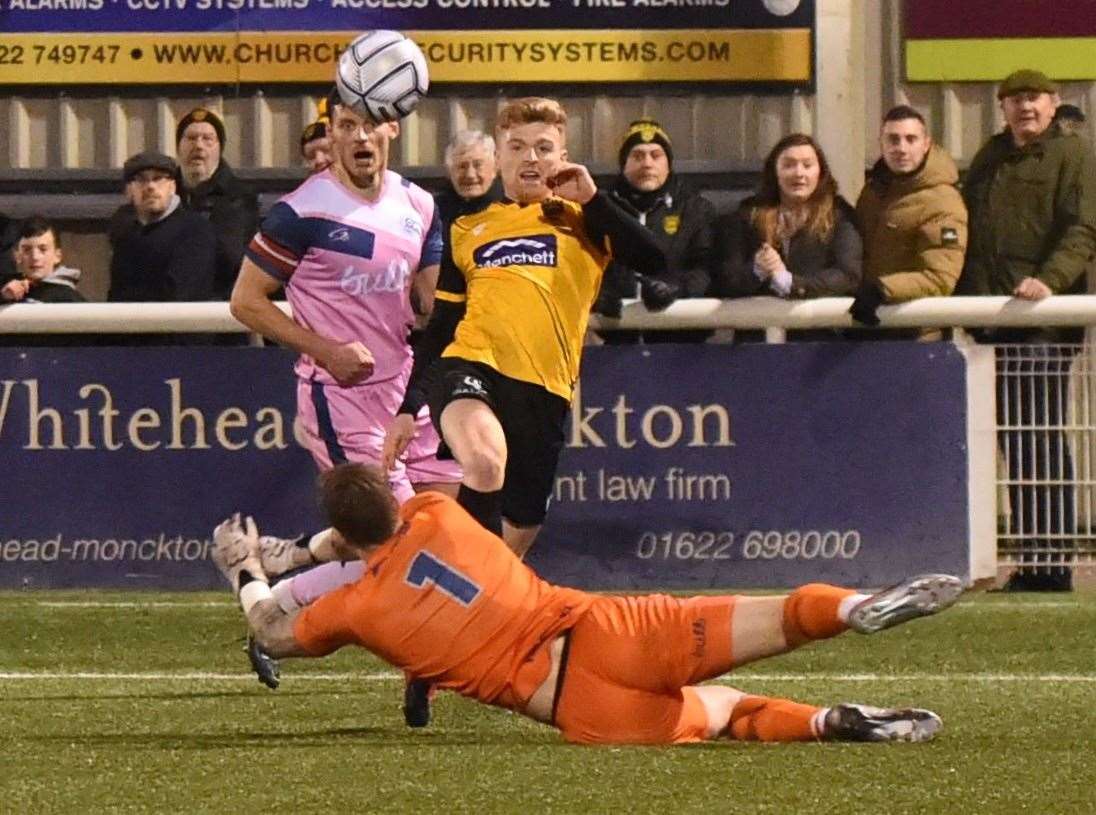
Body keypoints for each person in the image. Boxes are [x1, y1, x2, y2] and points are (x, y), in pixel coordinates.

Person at [212, 462, 963, 747]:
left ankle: (832, 721)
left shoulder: (358, 611)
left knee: (730, 713)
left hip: (579, 708)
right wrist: (319, 541)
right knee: (781, 614)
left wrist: (247, 567)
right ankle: (855, 605)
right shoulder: (438, 512)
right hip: (609, 631)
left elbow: (271, 632)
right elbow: (376, 526)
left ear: (344, 532)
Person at [230, 89, 462, 718]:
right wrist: (326, 349)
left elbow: (428, 308)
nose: (359, 138)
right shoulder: (299, 213)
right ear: (330, 137)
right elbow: (246, 302)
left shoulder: (418, 205)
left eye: (370, 126)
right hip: (341, 397)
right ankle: (271, 613)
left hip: (409, 398)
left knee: (442, 540)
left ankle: (281, 574)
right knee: (398, 549)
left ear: (391, 129)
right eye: (346, 127)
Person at [383, 97, 666, 558]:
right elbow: (443, 326)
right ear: (499, 158)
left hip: (544, 390)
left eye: (543, 147)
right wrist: (407, 407)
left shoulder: (585, 219)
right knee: (484, 461)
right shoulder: (468, 228)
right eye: (516, 147)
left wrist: (594, 199)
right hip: (470, 366)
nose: (530, 157)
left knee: (512, 542)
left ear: (562, 157)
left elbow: (655, 260)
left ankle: (452, 592)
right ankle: (455, 586)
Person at [956, 69, 1096, 592]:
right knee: (1015, 440)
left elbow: (1083, 228)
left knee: (1039, 436)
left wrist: (1050, 282)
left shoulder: (1074, 154)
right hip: (994, 319)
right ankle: (1030, 558)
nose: (1025, 108)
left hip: (1042, 321)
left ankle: (1050, 562)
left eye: (1033, 98)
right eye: (1015, 100)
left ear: (1054, 103)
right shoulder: (992, 156)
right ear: (1003, 108)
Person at [594, 118, 716, 344]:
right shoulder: (600, 210)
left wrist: (676, 287)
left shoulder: (696, 210)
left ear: (668, 163)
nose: (647, 164)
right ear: (624, 164)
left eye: (655, 155)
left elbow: (706, 268)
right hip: (615, 347)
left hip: (682, 348)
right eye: (637, 156)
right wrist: (596, 293)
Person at [850, 105, 967, 334]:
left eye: (910, 139)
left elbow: (940, 277)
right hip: (869, 327)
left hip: (917, 335)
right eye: (893, 140)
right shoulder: (873, 191)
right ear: (881, 144)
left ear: (926, 144)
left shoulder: (943, 201)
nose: (901, 148)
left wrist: (882, 289)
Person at [711, 134, 861, 308]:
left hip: (816, 329)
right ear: (775, 171)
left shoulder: (839, 214)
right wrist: (757, 270)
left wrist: (792, 283)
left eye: (807, 165)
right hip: (758, 328)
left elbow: (848, 275)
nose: (799, 173)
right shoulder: (747, 215)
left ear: (820, 172)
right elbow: (725, 279)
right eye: (788, 165)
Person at [108, 151, 218, 307]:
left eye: (158, 178)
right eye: (141, 180)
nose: (150, 186)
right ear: (129, 191)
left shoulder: (195, 230)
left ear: (172, 186)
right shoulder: (124, 235)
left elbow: (181, 294)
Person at [176, 107, 259, 301]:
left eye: (208, 139)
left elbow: (234, 259)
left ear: (219, 148)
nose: (198, 146)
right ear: (178, 146)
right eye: (191, 138)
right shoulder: (165, 193)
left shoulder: (240, 199)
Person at [1, 216, 85, 304]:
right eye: (27, 250)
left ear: (57, 256)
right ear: (17, 256)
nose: (35, 257)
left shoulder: (69, 298)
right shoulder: (6, 286)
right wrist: (3, 296)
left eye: (43, 249)